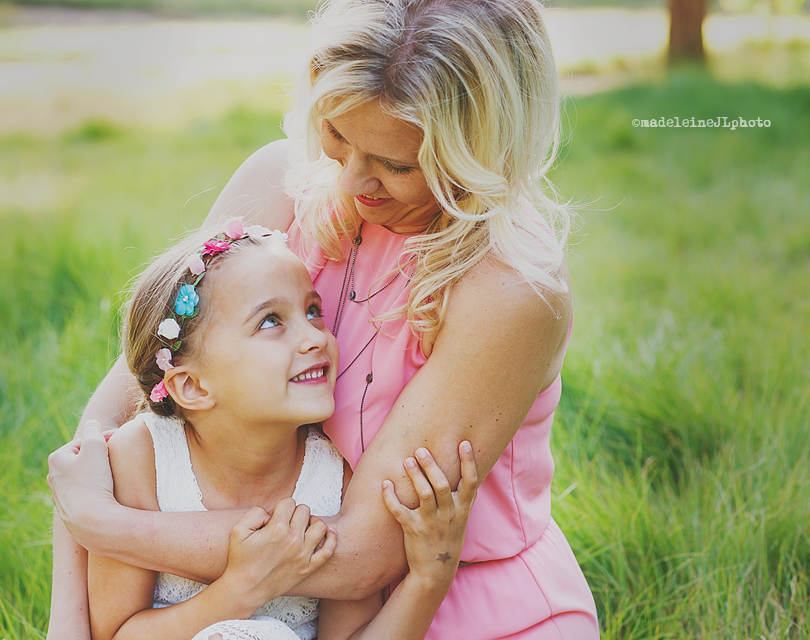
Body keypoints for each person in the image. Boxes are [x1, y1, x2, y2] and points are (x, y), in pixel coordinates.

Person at [47, 0, 600, 637]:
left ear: (483, 153)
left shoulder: (510, 289)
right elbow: (99, 438)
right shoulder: (280, 179)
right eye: (339, 137)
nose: (355, 183)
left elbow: (366, 555)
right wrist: (70, 622)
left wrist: (111, 526)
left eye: (396, 165)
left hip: (459, 592)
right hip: (280, 597)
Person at [83, 220, 478, 640]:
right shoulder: (143, 458)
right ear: (192, 386)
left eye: (313, 311)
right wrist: (240, 590)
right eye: (271, 321)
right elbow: (115, 634)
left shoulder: (332, 475)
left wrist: (428, 579)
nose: (313, 337)